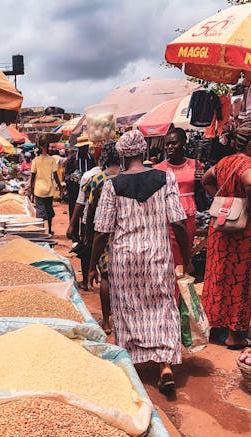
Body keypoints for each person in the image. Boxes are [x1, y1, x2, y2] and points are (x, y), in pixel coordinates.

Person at [90, 130, 191, 394]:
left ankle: (131, 367)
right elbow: (179, 223)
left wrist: (91, 265)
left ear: (122, 155)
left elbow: (101, 231)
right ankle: (164, 366)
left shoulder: (113, 185)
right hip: (158, 255)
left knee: (128, 308)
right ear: (144, 153)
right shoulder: (165, 178)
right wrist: (188, 259)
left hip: (124, 260)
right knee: (162, 306)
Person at [201, 121, 251, 350]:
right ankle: (235, 335)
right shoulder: (246, 164)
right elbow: (249, 182)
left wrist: (222, 201)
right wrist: (246, 205)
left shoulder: (224, 162)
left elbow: (206, 179)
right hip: (242, 233)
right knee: (240, 280)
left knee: (217, 276)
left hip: (221, 226)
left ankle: (215, 327)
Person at [82, 145, 121, 333]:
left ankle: (106, 321)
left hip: (103, 230)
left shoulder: (97, 179)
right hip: (124, 231)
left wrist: (88, 233)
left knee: (105, 274)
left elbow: (90, 209)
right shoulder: (126, 177)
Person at [156, 128, 203, 267]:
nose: (169, 147)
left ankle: (182, 283)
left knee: (186, 253)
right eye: (167, 144)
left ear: (183, 143)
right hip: (167, 218)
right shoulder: (159, 168)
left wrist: (201, 181)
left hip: (188, 216)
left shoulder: (195, 165)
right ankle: (174, 287)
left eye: (174, 143)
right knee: (172, 256)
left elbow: (200, 194)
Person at [30, 139, 64, 234]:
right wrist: (60, 188)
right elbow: (55, 175)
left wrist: (31, 189)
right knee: (49, 210)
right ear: (47, 148)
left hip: (39, 189)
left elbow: (33, 176)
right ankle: (49, 230)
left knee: (40, 211)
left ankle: (42, 230)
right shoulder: (52, 160)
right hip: (49, 189)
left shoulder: (35, 160)